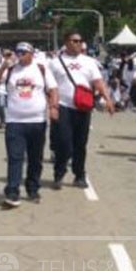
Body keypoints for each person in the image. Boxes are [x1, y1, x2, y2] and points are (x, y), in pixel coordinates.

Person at [0, 42, 59, 207]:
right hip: (14, 122)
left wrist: (54, 107)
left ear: (31, 54)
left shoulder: (41, 69)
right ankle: (12, 192)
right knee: (15, 158)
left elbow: (53, 89)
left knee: (35, 159)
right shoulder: (11, 70)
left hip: (37, 121)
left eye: (24, 52)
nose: (20, 55)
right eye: (18, 52)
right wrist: (3, 66)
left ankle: (33, 188)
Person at [49, 31, 114, 189]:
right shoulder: (55, 62)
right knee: (63, 143)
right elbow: (50, 86)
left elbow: (97, 82)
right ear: (66, 42)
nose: (78, 43)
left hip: (83, 107)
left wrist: (108, 99)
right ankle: (59, 172)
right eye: (74, 41)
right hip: (63, 106)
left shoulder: (89, 62)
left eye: (80, 41)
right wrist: (52, 106)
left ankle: (79, 175)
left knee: (80, 143)